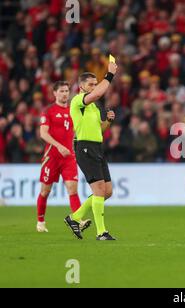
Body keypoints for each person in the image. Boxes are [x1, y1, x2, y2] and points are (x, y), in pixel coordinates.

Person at [64, 60, 118, 241]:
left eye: (96, 84)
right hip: (84, 147)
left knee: (107, 191)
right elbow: (96, 95)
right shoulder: (79, 101)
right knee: (99, 189)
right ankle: (101, 232)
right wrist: (109, 75)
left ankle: (75, 217)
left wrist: (108, 121)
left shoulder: (94, 106)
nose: (94, 88)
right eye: (91, 84)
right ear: (81, 86)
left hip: (96, 147)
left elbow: (100, 129)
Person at [36, 81, 91, 233]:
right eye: (61, 91)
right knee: (45, 191)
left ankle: (78, 220)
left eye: (66, 91)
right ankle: (40, 221)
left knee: (73, 189)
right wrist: (59, 146)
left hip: (69, 157)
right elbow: (43, 133)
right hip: (52, 157)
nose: (65, 94)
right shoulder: (49, 111)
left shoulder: (74, 109)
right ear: (54, 93)